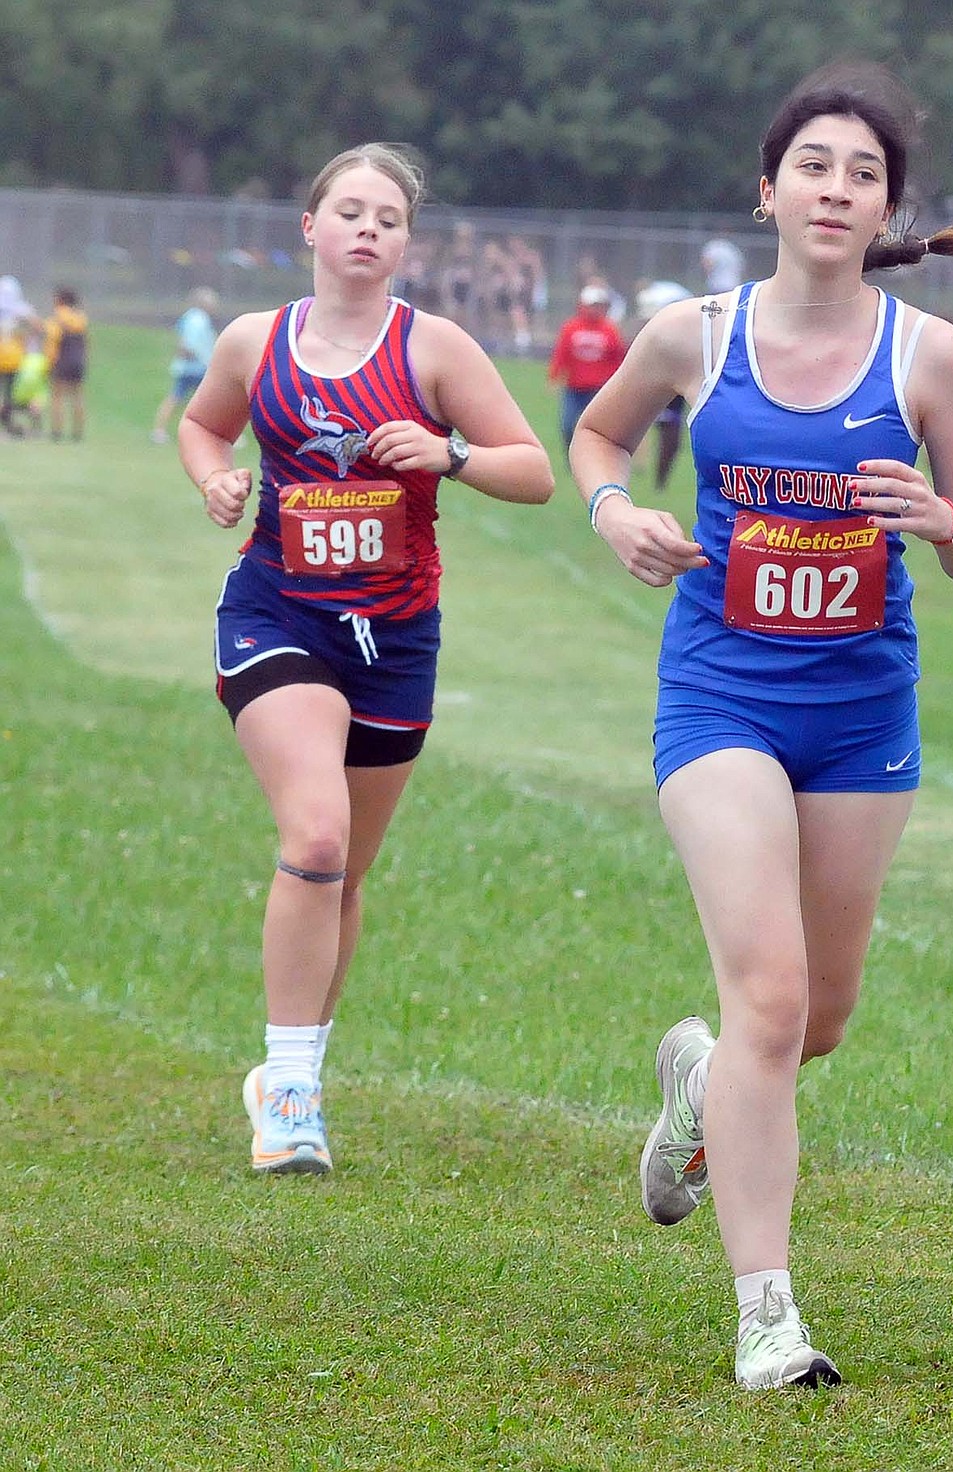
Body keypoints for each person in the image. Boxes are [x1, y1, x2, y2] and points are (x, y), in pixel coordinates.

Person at [568, 60, 953, 1390]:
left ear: (885, 207)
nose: (836, 187)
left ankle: (701, 1091)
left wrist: (941, 526)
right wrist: (617, 513)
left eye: (864, 172)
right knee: (768, 992)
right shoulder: (691, 335)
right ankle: (770, 1321)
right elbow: (596, 440)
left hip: (861, 714)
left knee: (811, 1023)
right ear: (768, 189)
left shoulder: (928, 355)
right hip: (720, 698)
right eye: (814, 164)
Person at [177, 143, 553, 1176]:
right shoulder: (257, 342)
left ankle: (290, 1069)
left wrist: (452, 454)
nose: (366, 229)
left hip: (393, 639)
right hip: (275, 615)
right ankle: (291, 1093)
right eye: (347, 211)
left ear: (405, 242)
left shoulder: (435, 352)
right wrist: (215, 479)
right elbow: (203, 426)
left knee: (343, 872)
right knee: (314, 834)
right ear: (310, 226)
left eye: (386, 217)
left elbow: (534, 472)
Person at [546, 284, 627, 450]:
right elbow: (561, 353)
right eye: (592, 305)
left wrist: (619, 382)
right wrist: (554, 376)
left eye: (599, 305)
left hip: (598, 389)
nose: (595, 310)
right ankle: (572, 455)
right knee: (567, 426)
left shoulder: (609, 330)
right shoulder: (571, 328)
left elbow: (617, 358)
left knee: (599, 430)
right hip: (574, 389)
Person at [634, 281, 693, 491]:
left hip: (673, 396)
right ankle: (637, 467)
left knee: (671, 441)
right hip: (651, 387)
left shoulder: (685, 337)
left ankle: (660, 482)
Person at [151, 287, 218, 443]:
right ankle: (219, 434)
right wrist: (193, 356)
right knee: (211, 400)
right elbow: (188, 343)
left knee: (178, 398)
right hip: (195, 368)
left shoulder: (190, 317)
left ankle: (160, 430)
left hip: (190, 367)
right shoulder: (198, 319)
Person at [44, 287, 89, 441]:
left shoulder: (56, 318)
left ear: (61, 300)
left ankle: (57, 432)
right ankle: (78, 432)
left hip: (61, 360)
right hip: (78, 360)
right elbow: (86, 341)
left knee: (57, 397)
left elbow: (52, 342)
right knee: (77, 396)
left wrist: (49, 363)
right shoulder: (81, 318)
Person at [0, 275, 37, 436]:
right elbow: (37, 326)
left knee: (8, 395)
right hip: (14, 358)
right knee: (11, 394)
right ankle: (10, 425)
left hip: (7, 357)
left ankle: (8, 424)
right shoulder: (21, 309)